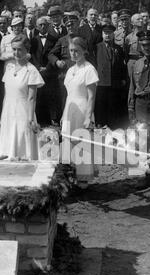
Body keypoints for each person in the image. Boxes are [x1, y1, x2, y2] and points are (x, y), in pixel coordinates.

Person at [61, 36, 99, 188]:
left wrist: (88, 117)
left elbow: (91, 97)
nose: (73, 54)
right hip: (70, 110)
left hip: (83, 111)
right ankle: (71, 175)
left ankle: (83, 179)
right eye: (71, 51)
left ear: (84, 51)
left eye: (76, 51)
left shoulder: (89, 69)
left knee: (81, 143)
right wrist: (64, 114)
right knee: (68, 143)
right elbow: (69, 95)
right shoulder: (70, 70)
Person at [0, 35, 44, 160]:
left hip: (23, 113)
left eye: (20, 49)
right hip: (8, 112)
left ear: (27, 50)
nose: (16, 53)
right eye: (14, 49)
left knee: (23, 148)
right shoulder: (9, 68)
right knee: (8, 149)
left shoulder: (31, 70)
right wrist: (2, 117)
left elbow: (31, 98)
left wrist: (30, 119)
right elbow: (6, 95)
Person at [95, 24, 127, 128]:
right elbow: (94, 64)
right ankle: (100, 132)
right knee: (100, 110)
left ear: (113, 34)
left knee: (113, 110)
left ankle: (113, 132)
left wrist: (122, 79)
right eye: (105, 33)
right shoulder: (96, 47)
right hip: (101, 84)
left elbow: (122, 66)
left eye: (109, 33)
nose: (107, 35)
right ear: (102, 34)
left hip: (115, 85)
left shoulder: (118, 48)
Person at [30, 17, 59, 126]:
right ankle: (41, 119)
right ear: (37, 27)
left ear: (48, 26)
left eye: (45, 24)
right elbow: (32, 56)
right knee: (39, 95)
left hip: (50, 72)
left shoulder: (54, 38)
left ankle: (53, 119)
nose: (43, 26)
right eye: (40, 25)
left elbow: (55, 54)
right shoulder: (33, 40)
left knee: (51, 95)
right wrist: (37, 67)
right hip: (37, 72)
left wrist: (47, 67)